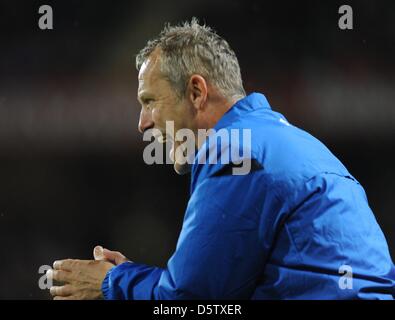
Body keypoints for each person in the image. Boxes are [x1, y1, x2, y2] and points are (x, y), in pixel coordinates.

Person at [47, 18, 395, 300]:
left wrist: (113, 283)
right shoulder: (289, 141)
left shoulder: (234, 151)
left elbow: (191, 301)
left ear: (196, 92)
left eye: (150, 101)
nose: (142, 123)